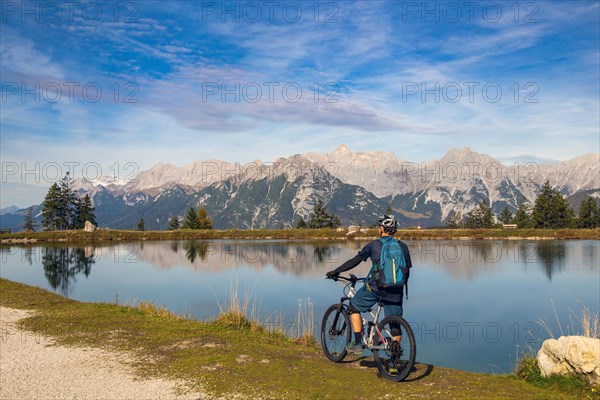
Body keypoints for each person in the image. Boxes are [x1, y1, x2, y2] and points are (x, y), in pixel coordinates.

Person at [325, 215, 412, 354]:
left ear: (382, 229)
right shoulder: (403, 247)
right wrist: (398, 286)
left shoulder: (374, 245)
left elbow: (355, 260)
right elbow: (407, 270)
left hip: (376, 288)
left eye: (379, 227)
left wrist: (336, 271)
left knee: (353, 306)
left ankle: (358, 343)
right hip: (396, 292)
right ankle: (395, 360)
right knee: (395, 324)